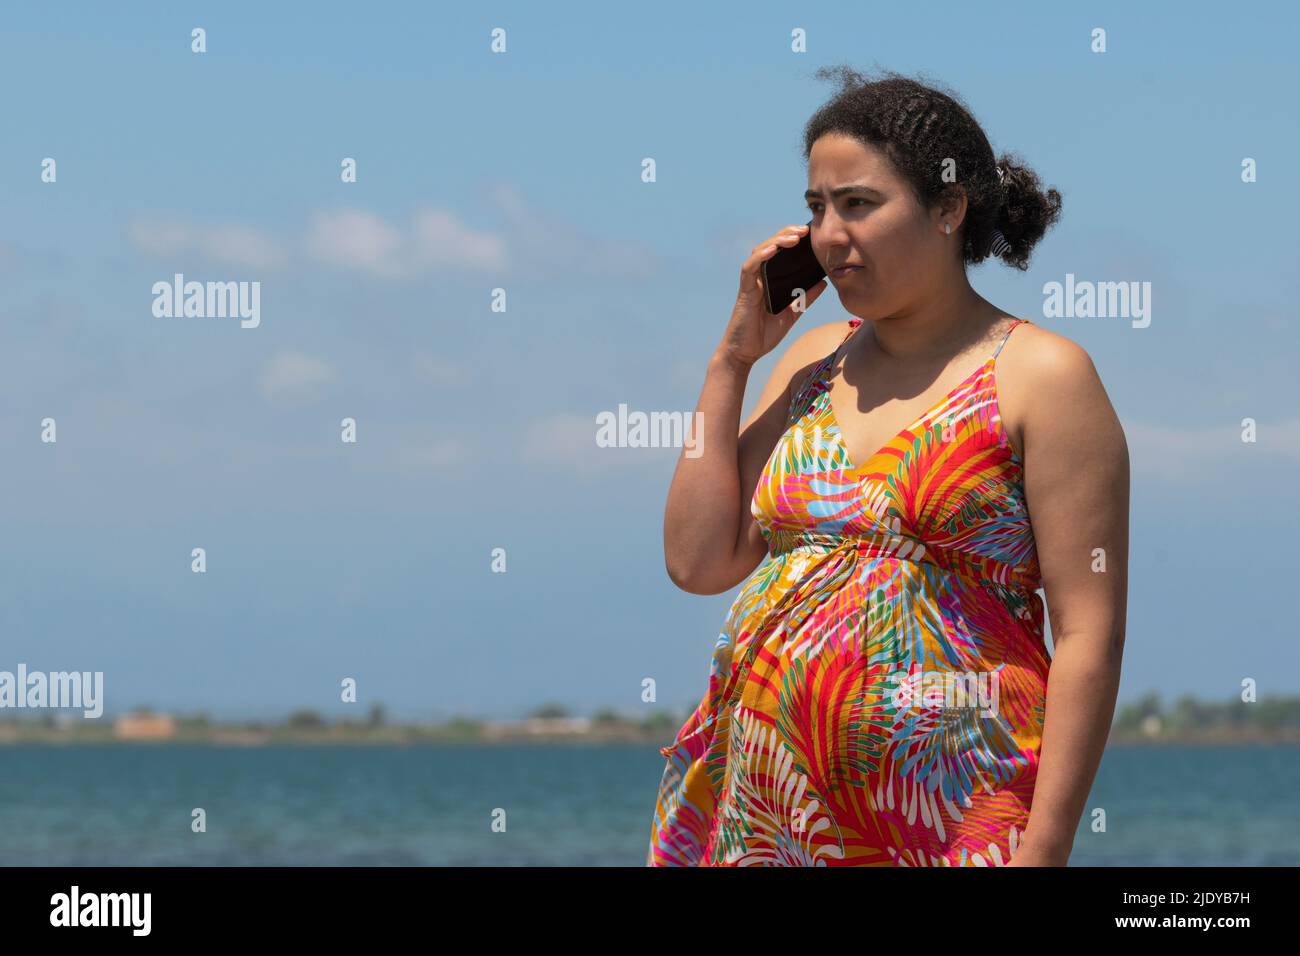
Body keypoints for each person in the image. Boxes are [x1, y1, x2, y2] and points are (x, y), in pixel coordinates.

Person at [647, 68, 1129, 867]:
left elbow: (1090, 633)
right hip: (766, 812)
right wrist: (730, 363)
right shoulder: (808, 364)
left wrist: (1044, 847)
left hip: (952, 813)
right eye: (816, 207)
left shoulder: (1042, 375)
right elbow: (697, 562)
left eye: (859, 204)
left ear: (947, 209)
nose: (830, 235)